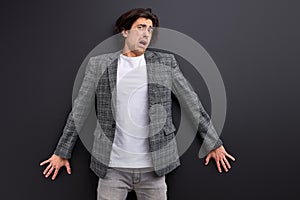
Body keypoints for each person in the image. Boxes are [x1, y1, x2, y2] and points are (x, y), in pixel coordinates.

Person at [40, 8, 235, 200]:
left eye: (150, 29)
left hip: (154, 169)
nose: (146, 33)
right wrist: (62, 152)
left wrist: (213, 143)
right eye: (141, 27)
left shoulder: (165, 63)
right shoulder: (99, 64)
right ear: (125, 32)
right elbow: (80, 109)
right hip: (111, 168)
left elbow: (191, 102)